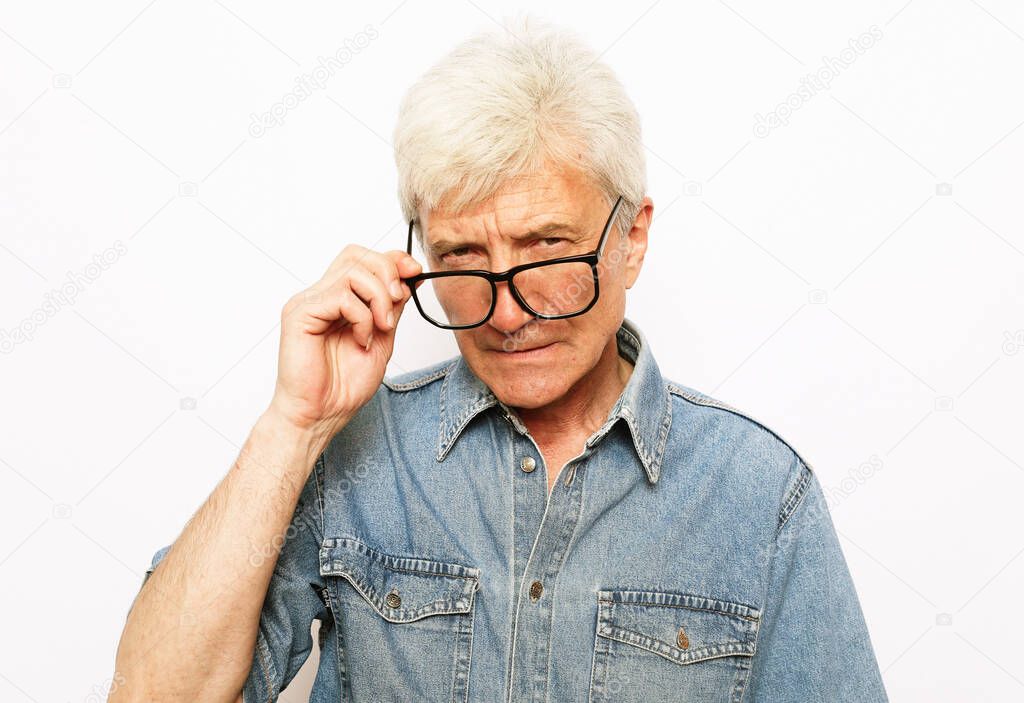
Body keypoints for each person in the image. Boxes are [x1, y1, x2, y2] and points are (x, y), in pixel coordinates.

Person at [110, 15, 888, 703]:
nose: (509, 314)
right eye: (463, 257)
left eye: (545, 248)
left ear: (632, 237)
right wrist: (293, 424)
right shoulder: (351, 455)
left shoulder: (760, 496)